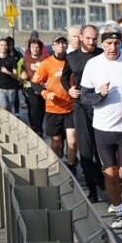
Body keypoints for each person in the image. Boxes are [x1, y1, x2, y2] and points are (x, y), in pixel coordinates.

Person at [80, 24, 122, 230]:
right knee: (110, 173)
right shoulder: (93, 65)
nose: (113, 47)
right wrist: (99, 94)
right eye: (109, 43)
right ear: (102, 44)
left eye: (116, 43)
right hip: (102, 129)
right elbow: (84, 97)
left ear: (121, 42)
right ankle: (119, 212)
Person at [62, 24, 105, 201]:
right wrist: (69, 90)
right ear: (80, 37)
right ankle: (92, 190)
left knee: (100, 148)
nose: (91, 42)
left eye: (94, 39)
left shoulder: (102, 53)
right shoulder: (71, 57)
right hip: (81, 105)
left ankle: (102, 177)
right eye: (88, 38)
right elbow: (64, 77)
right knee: (86, 148)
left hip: (101, 104)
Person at [31, 35, 77, 170]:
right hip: (53, 108)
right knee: (56, 144)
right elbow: (35, 83)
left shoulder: (72, 61)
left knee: (73, 142)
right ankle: (58, 169)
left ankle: (71, 166)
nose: (61, 45)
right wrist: (45, 93)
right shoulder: (46, 63)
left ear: (67, 46)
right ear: (53, 46)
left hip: (71, 108)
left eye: (64, 43)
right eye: (58, 43)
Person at [21, 38, 49, 136]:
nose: (35, 49)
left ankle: (37, 125)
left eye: (37, 47)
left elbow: (48, 72)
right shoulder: (26, 58)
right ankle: (38, 129)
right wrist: (23, 75)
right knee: (35, 105)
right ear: (29, 48)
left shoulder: (45, 58)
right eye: (33, 47)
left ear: (40, 48)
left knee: (41, 108)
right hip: (29, 85)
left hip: (42, 86)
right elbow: (23, 70)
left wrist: (38, 68)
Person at [0, 38, 19, 114]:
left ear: (7, 47)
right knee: (4, 107)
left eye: (5, 45)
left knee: (9, 110)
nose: (3, 47)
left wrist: (8, 72)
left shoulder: (12, 59)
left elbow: (16, 76)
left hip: (10, 89)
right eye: (1, 45)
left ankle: (6, 124)